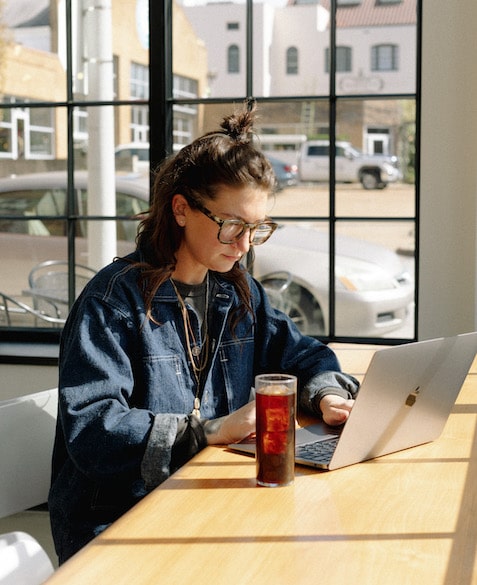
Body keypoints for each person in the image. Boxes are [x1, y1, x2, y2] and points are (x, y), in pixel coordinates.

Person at [48, 101, 359, 564]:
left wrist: (327, 397)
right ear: (180, 209)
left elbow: (302, 355)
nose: (244, 245)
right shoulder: (112, 302)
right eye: (232, 225)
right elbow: (93, 430)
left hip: (203, 498)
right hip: (119, 522)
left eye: (256, 228)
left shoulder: (237, 293)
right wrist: (209, 431)